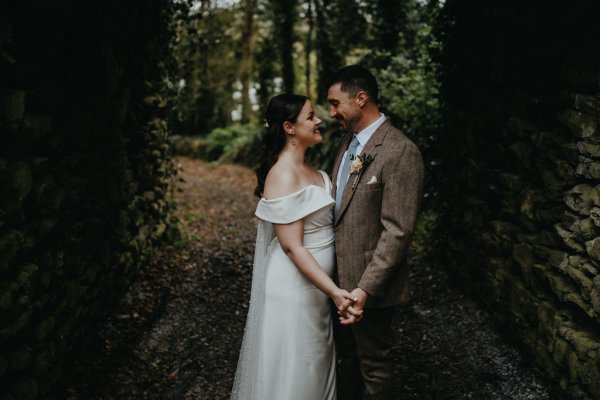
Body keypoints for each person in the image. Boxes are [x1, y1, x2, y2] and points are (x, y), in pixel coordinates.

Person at [231, 93, 361, 400]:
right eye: (310, 117)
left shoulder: (313, 170)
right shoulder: (282, 175)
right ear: (289, 127)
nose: (319, 122)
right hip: (293, 289)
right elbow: (292, 247)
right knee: (298, 367)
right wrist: (333, 291)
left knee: (316, 363)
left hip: (316, 290)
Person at [328, 65, 425, 399]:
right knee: (347, 360)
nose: (331, 113)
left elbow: (397, 231)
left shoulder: (400, 151)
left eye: (335, 103)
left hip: (369, 287)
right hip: (337, 282)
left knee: (375, 365)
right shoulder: (345, 146)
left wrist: (364, 290)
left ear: (361, 98)